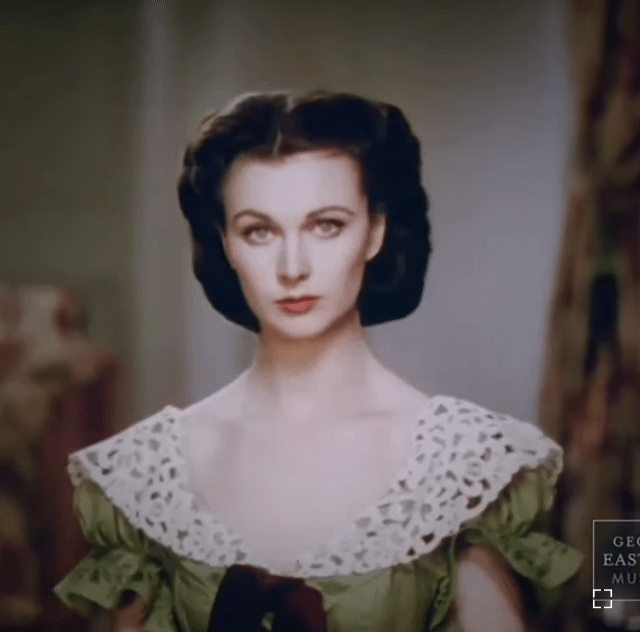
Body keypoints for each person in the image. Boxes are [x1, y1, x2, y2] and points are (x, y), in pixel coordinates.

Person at [54, 90, 583, 632]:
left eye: (326, 225)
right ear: (227, 244)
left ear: (374, 231)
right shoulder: (152, 470)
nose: (293, 267)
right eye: (259, 231)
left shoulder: (465, 464)